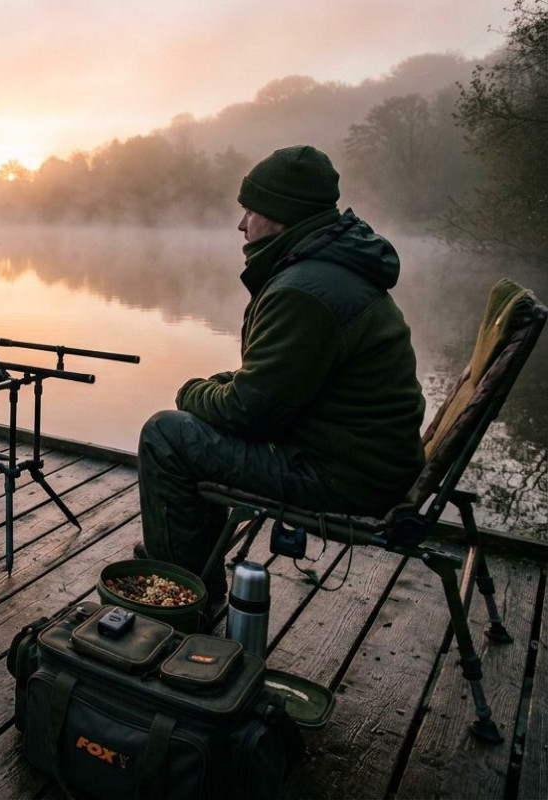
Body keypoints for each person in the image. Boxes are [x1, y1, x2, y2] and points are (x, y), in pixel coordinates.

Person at [137, 144, 426, 621]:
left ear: (281, 215)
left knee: (166, 434)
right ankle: (185, 568)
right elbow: (279, 381)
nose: (241, 223)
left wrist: (192, 390)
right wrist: (222, 387)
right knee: (193, 426)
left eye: (250, 209)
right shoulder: (328, 270)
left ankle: (186, 603)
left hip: (345, 477)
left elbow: (249, 412)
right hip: (362, 459)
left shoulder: (305, 290)